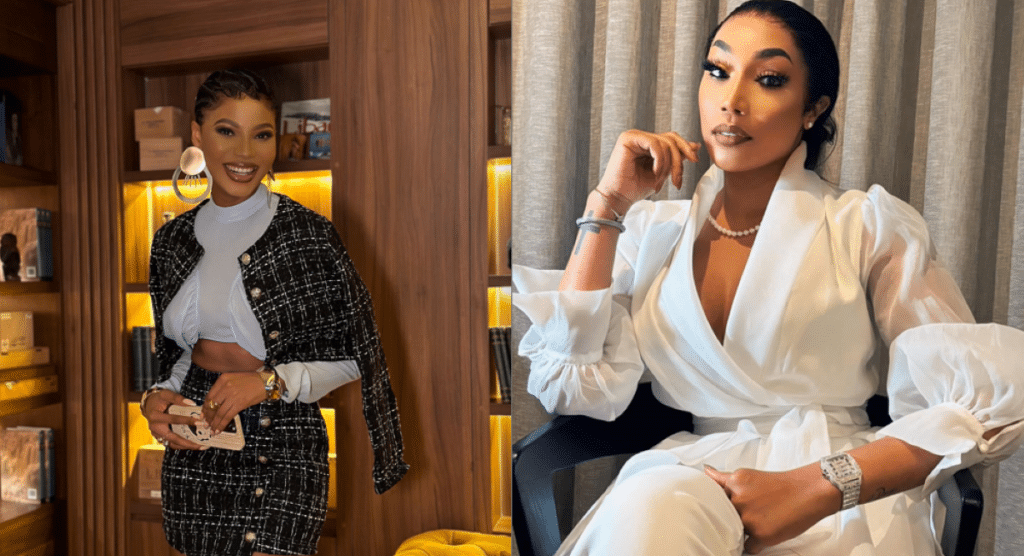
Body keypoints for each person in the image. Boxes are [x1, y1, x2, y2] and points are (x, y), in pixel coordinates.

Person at [513, 2, 1024, 554]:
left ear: (813, 108)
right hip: (693, 475)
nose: (731, 100)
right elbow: (571, 386)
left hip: (837, 488)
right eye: (718, 70)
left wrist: (820, 486)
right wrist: (608, 203)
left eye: (769, 79)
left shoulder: (865, 224)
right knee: (648, 510)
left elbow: (985, 404)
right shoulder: (652, 232)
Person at [139, 68, 408, 556]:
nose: (245, 153)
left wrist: (268, 382)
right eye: (227, 131)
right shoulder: (169, 242)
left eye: (261, 135)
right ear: (197, 135)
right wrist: (158, 398)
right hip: (197, 445)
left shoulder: (307, 236)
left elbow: (358, 357)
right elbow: (178, 354)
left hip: (282, 448)